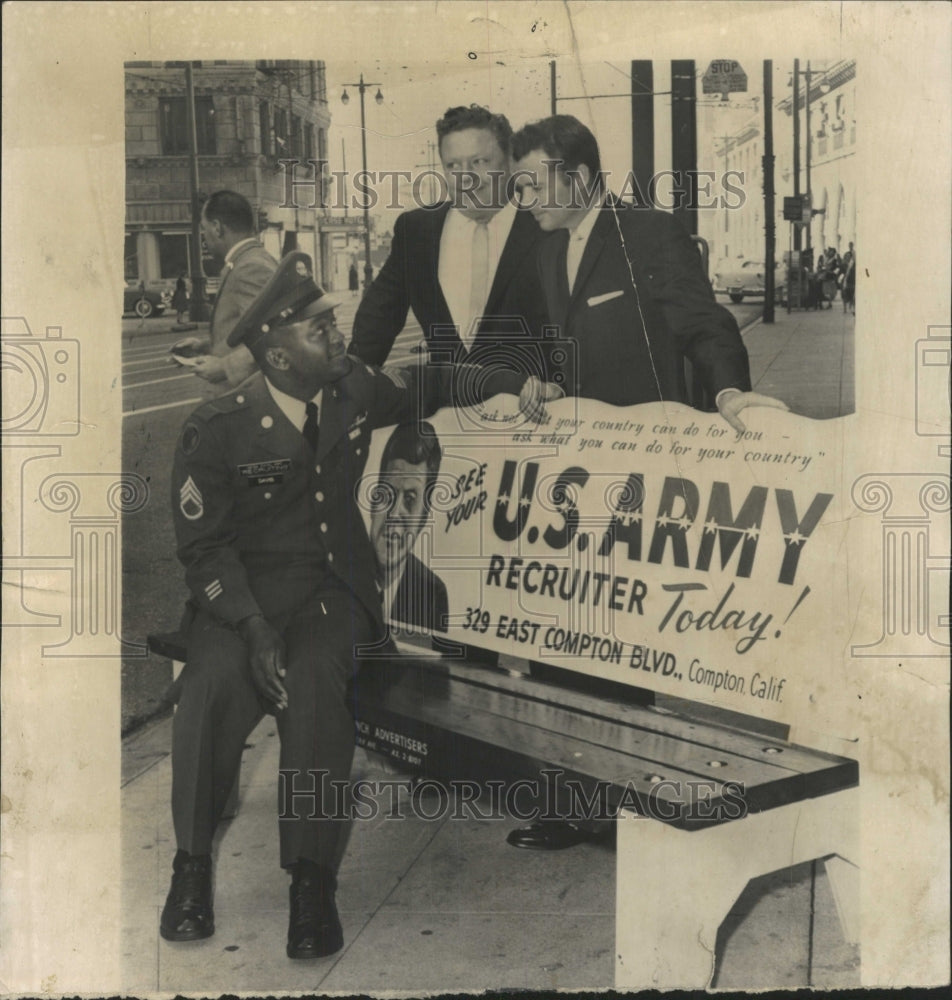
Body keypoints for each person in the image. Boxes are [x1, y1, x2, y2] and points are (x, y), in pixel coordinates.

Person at [160, 251, 560, 959]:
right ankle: (189, 867)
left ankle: (310, 882)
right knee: (209, 688)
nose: (337, 337)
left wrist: (514, 381)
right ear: (278, 355)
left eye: (333, 323)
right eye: (320, 330)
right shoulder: (216, 428)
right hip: (242, 604)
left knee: (315, 686)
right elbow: (205, 552)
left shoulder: (349, 390)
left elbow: (433, 380)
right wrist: (251, 628)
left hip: (329, 596)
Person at [511, 115, 787, 434]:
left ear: (580, 177)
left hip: (648, 444)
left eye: (537, 186)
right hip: (578, 445)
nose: (526, 200)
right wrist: (547, 385)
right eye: (521, 189)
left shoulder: (650, 233)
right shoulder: (548, 252)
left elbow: (705, 325)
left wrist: (730, 391)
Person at [350, 105, 551, 378]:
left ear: (511, 163)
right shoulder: (417, 231)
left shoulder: (548, 226)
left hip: (541, 410)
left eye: (480, 162)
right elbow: (376, 323)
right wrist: (348, 390)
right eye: (453, 165)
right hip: (450, 411)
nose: (465, 177)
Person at [173, 189, 278, 389]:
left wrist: (224, 367)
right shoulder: (251, 260)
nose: (204, 236)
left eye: (204, 229)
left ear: (217, 228)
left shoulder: (249, 268)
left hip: (247, 398)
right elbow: (247, 330)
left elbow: (273, 335)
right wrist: (205, 346)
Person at [369, 422, 448, 635]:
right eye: (388, 495)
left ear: (423, 518)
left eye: (410, 500)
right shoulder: (335, 572)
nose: (394, 514)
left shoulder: (432, 595)